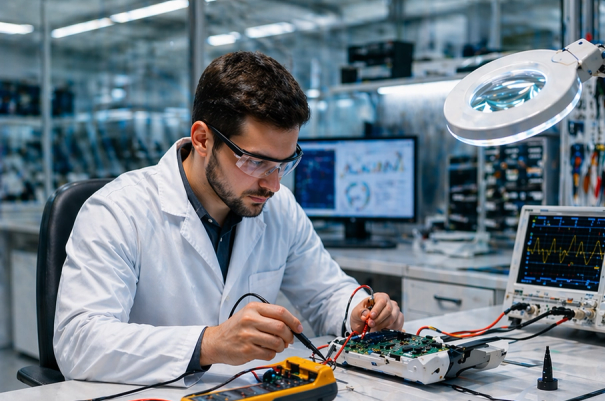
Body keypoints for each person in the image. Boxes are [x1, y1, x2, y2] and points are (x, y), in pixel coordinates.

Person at [54, 52, 404, 384]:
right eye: (255, 162)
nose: (273, 184)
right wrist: (211, 343)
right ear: (203, 139)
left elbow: (325, 294)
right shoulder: (118, 211)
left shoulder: (279, 207)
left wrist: (358, 310)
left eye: (284, 164)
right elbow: (78, 342)